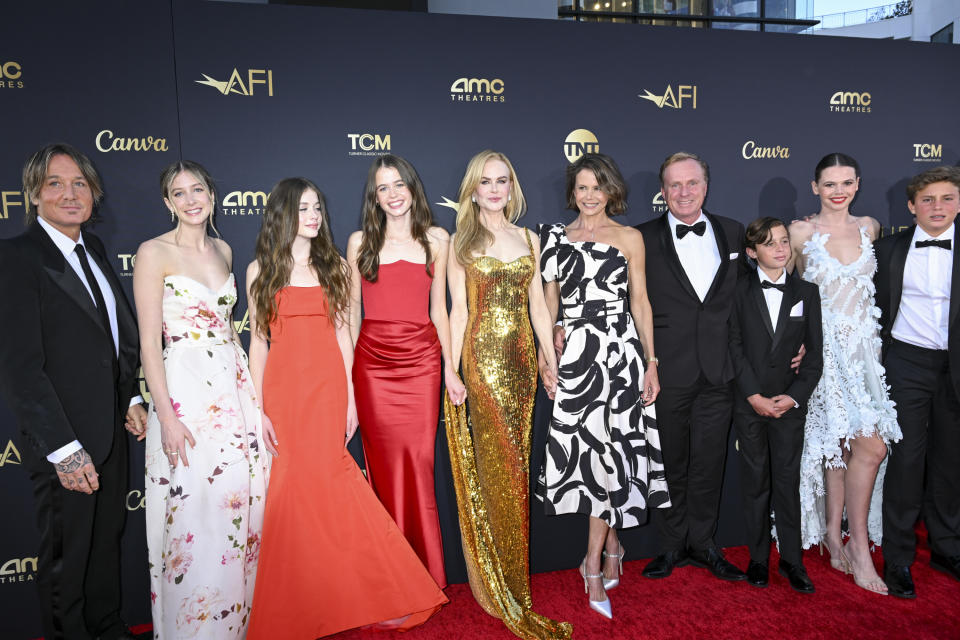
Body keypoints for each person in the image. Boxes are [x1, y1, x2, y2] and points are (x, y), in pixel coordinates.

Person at [245, 177, 446, 638]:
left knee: (337, 488)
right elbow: (257, 344)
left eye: (317, 207)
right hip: (283, 392)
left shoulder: (334, 264)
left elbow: (342, 336)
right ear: (282, 215)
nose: (313, 216)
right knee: (293, 495)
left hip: (329, 389)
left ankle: (379, 588)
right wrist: (258, 409)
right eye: (303, 209)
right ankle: (303, 597)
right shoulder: (260, 270)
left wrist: (352, 398)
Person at [0, 143, 146, 640]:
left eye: (79, 184)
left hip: (108, 432)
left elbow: (111, 337)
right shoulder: (16, 258)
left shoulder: (94, 250)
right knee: (67, 561)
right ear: (34, 196)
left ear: (94, 194)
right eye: (55, 184)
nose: (70, 194)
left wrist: (128, 397)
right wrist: (64, 451)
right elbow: (23, 370)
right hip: (66, 443)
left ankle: (107, 628)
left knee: (105, 544)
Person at [134, 160, 270, 638]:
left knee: (239, 507)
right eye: (179, 192)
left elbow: (233, 334)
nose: (191, 199)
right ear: (167, 202)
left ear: (211, 196)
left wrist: (256, 404)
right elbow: (150, 343)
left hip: (233, 389)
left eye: (198, 190)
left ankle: (234, 625)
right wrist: (166, 417)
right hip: (185, 392)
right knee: (193, 509)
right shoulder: (153, 252)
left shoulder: (224, 250)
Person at [446, 150, 572, 639]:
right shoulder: (460, 241)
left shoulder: (529, 238)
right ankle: (504, 585)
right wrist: (452, 371)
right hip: (481, 363)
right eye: (485, 181)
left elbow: (539, 305)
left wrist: (548, 358)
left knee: (516, 468)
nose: (494, 189)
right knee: (497, 467)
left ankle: (513, 578)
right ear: (472, 189)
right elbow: (459, 312)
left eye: (502, 181)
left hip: (522, 365)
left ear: (511, 186)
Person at [538, 153, 669, 618]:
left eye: (597, 187)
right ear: (572, 192)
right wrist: (545, 352)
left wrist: (651, 363)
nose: (589, 196)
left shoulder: (630, 237)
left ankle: (592, 561)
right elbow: (549, 306)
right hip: (577, 358)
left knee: (617, 453)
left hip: (622, 354)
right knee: (593, 456)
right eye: (582, 188)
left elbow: (641, 302)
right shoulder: (554, 238)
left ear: (611, 191)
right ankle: (607, 548)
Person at [346, 155, 461, 588]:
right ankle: (391, 578)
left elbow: (440, 311)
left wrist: (449, 369)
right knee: (385, 471)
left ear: (413, 187)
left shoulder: (436, 239)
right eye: (383, 188)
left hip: (421, 363)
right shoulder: (360, 242)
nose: (393, 195)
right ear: (374, 197)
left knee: (417, 465)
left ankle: (424, 576)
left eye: (399, 185)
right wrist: (351, 380)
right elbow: (353, 313)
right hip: (373, 366)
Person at [787, 152, 900, 595]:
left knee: (861, 449)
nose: (839, 191)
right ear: (815, 187)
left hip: (867, 356)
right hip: (824, 356)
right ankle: (846, 543)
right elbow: (788, 292)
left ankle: (843, 538)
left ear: (858, 184)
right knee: (849, 447)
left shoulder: (869, 227)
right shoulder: (799, 232)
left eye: (846, 183)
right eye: (829, 184)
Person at [635, 152, 750, 582]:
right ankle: (669, 546)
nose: (684, 192)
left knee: (709, 464)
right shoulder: (640, 237)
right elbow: (625, 300)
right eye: (675, 185)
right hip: (665, 371)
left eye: (692, 183)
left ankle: (703, 544)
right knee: (670, 464)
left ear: (706, 186)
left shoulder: (733, 232)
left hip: (719, 372)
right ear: (663, 191)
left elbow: (747, 302)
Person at [876, 166, 960, 599]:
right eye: (927, 200)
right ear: (911, 207)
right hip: (907, 363)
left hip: (956, 369)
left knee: (950, 464)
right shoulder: (888, 250)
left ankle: (947, 548)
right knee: (907, 463)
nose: (937, 207)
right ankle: (898, 558)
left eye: (947, 198)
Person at [728, 217, 823, 594]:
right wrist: (753, 395)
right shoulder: (738, 291)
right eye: (770, 244)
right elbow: (733, 346)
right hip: (749, 403)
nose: (781, 249)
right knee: (755, 483)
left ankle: (792, 561)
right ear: (752, 253)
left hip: (789, 405)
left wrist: (795, 396)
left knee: (787, 483)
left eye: (784, 241)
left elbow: (814, 355)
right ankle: (757, 558)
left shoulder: (807, 293)